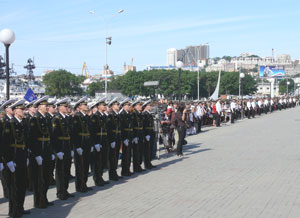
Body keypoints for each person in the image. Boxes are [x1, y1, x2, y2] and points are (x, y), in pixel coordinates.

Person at [2, 99, 31, 217]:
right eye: (22, 109)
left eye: (24, 109)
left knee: (22, 184)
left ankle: (20, 207)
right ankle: (13, 211)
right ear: (15, 111)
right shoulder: (9, 124)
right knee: (14, 187)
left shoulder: (22, 123)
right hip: (13, 158)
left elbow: (26, 141)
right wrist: (8, 160)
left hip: (22, 157)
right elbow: (4, 143)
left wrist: (27, 155)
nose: (24, 111)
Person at [51, 97, 75, 200]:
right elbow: (54, 136)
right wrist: (57, 151)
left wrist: (72, 148)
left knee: (66, 170)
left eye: (67, 106)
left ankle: (65, 190)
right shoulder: (56, 119)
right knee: (60, 171)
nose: (67, 108)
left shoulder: (67, 118)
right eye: (65, 106)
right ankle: (60, 192)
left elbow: (71, 135)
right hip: (60, 147)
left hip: (67, 147)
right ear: (59, 107)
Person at [72, 96, 93, 192]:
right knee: (79, 166)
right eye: (84, 105)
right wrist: (77, 146)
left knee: (86, 166)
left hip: (87, 144)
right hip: (80, 144)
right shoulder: (76, 117)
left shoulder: (87, 117)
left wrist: (91, 144)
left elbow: (90, 132)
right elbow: (74, 134)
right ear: (79, 106)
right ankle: (79, 186)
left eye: (86, 104)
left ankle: (84, 184)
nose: (86, 106)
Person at [89, 97, 110, 185]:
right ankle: (97, 179)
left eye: (105, 105)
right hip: (98, 141)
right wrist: (95, 143)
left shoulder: (103, 116)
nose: (105, 106)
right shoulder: (95, 116)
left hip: (104, 140)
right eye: (103, 105)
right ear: (98, 106)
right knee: (97, 162)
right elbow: (93, 131)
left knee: (102, 161)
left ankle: (100, 177)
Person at [0, 99, 16, 199]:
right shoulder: (3, 122)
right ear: (6, 109)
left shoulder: (13, 121)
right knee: (6, 177)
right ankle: (7, 194)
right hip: (5, 154)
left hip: (13, 153)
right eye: (12, 107)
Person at [107, 97, 123, 181]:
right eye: (117, 104)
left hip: (117, 138)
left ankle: (114, 173)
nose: (119, 106)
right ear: (112, 106)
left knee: (116, 157)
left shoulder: (117, 115)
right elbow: (109, 129)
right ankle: (111, 174)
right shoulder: (110, 115)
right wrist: (112, 140)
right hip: (113, 138)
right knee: (112, 157)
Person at [119, 98, 134, 176]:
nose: (129, 106)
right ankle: (124, 170)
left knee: (128, 154)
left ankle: (127, 169)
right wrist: (124, 138)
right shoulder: (122, 115)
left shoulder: (128, 114)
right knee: (125, 155)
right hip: (125, 137)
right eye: (128, 105)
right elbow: (122, 128)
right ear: (124, 106)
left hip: (129, 136)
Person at [142, 99, 156, 169]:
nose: (151, 107)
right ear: (145, 106)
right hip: (147, 133)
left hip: (151, 132)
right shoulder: (144, 114)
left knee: (150, 148)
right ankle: (146, 164)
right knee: (147, 149)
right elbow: (144, 126)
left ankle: (149, 162)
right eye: (150, 106)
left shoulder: (149, 114)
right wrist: (146, 134)